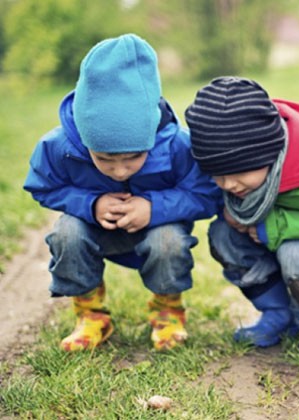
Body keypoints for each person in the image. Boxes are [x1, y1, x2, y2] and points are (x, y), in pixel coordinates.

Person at [24, 34, 221, 351]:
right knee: (66, 233)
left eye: (133, 158)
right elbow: (43, 185)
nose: (119, 170)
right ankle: (90, 316)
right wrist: (91, 203)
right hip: (94, 228)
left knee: (168, 241)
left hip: (158, 227)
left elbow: (206, 193)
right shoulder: (58, 146)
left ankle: (167, 311)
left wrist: (154, 208)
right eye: (103, 159)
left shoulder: (178, 145)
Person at [185, 77, 299, 355]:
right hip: (273, 250)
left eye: (238, 172)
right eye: (218, 175)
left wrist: (275, 226)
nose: (229, 184)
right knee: (222, 235)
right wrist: (229, 212)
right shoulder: (236, 180)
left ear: (268, 155)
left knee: (296, 254)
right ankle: (279, 313)